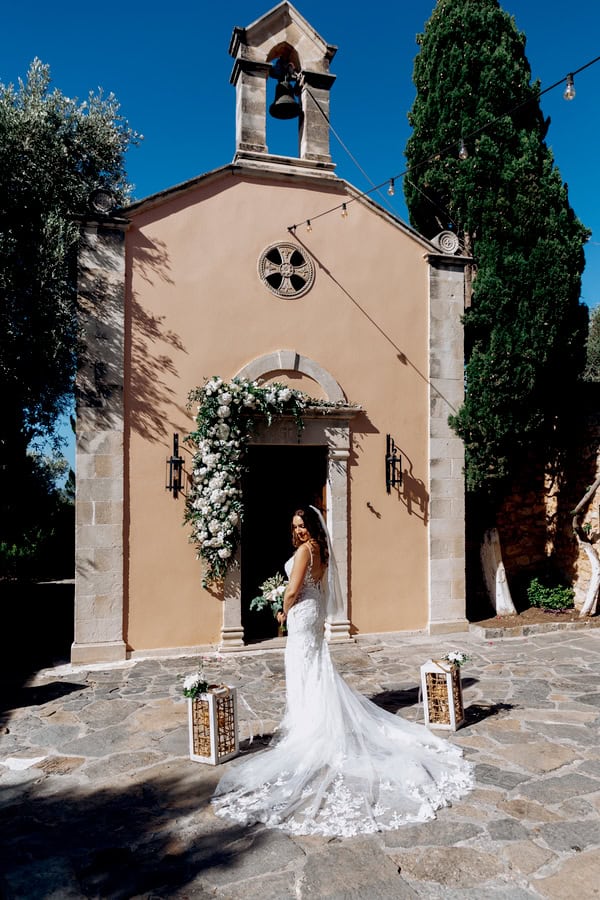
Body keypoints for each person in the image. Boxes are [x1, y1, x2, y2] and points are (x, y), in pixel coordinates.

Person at [212, 506, 473, 837]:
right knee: (314, 668)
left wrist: (282, 607)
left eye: (302, 524)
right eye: (295, 526)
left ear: (311, 526)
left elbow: (293, 589)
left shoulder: (305, 551)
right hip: (314, 614)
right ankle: (314, 717)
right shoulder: (320, 549)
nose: (299, 530)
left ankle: (308, 724)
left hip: (302, 615)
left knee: (302, 667)